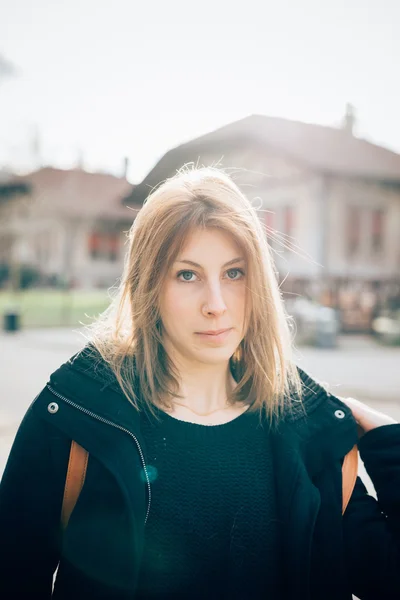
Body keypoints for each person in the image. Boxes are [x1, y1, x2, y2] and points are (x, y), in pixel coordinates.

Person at [0, 166, 399, 600]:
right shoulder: (75, 417)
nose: (216, 305)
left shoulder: (309, 436)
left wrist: (389, 444)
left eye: (234, 273)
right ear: (148, 285)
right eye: (187, 275)